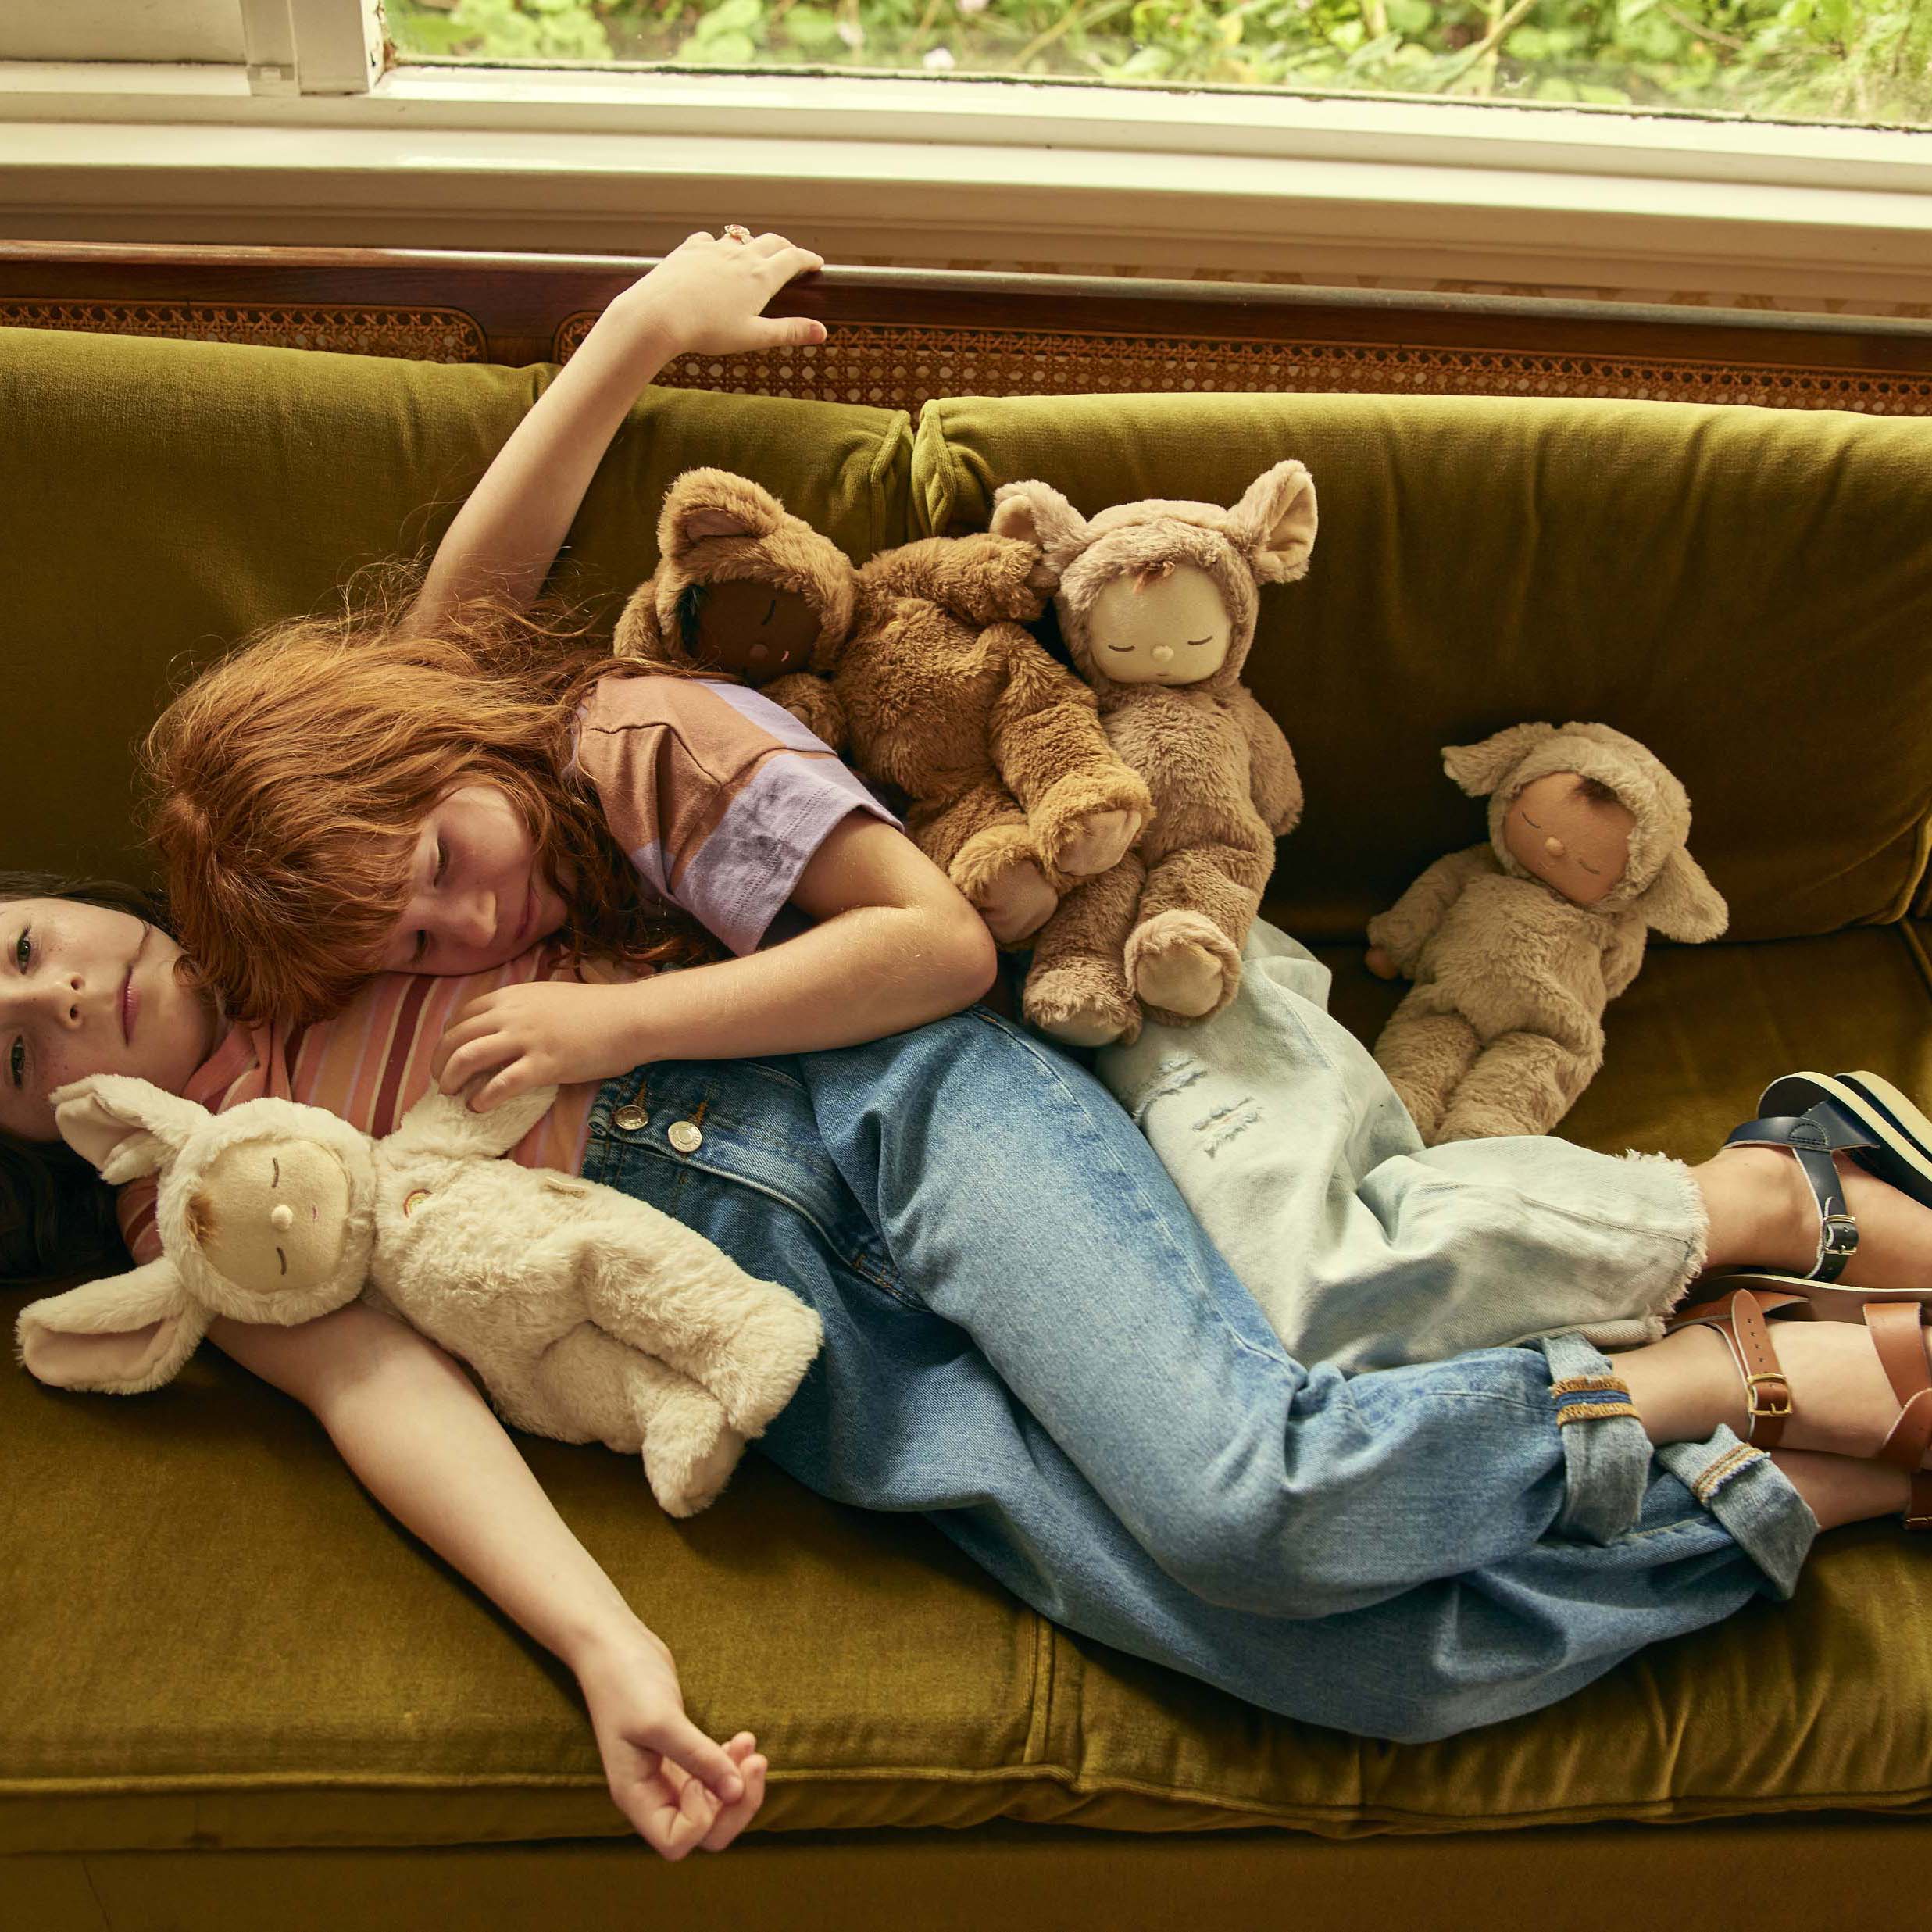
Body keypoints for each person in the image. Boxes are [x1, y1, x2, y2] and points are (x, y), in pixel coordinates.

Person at [13, 228, 1932, 1860]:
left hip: (886, 1116)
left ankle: (1733, 1359)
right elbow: (387, 1407)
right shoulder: (207, 1198)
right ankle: (1812, 1447)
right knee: (1327, 1659)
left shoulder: (363, 789)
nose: (51, 1004)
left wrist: (629, 336)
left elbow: (462, 616)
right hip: (796, 1351)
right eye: (5, 1055)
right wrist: (609, 1655)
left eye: (17, 948)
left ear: (64, 895)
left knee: (1251, 1499)